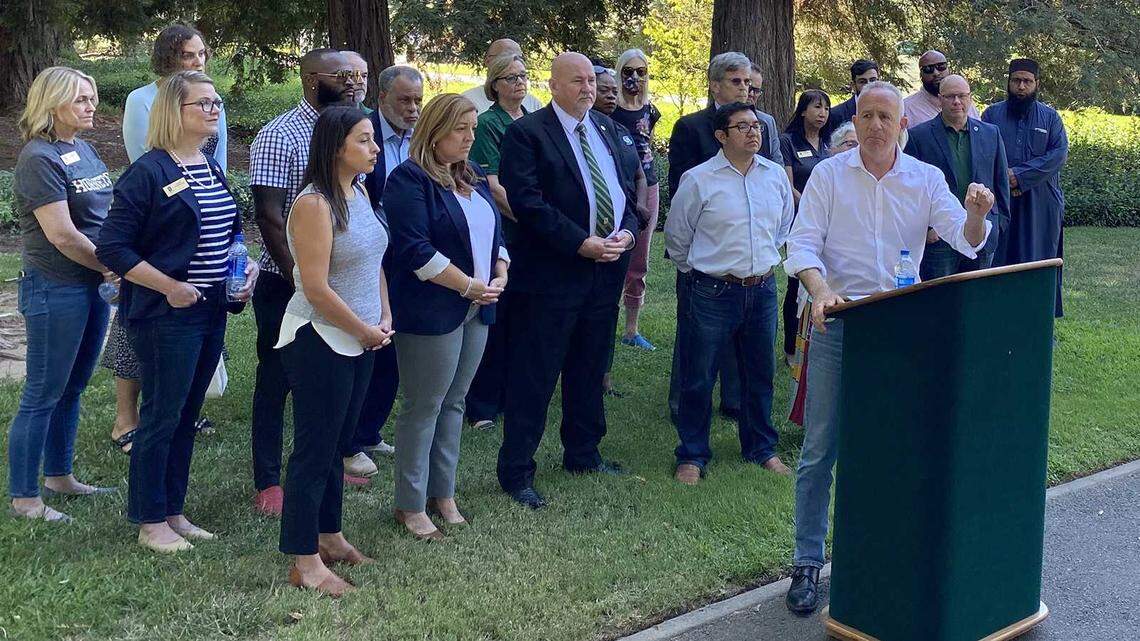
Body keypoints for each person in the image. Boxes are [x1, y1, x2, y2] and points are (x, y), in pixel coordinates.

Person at [781, 81, 994, 613]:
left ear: (902, 126)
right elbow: (801, 244)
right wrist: (820, 290)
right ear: (854, 122)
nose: (876, 125)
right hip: (839, 324)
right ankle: (807, 562)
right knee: (820, 449)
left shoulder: (925, 178)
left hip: (900, 329)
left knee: (897, 443)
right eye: (867, 115)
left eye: (886, 117)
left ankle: (886, 551)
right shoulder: (829, 175)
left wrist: (975, 212)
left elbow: (966, 239)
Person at [97, 71, 257, 553]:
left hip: (210, 308)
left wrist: (242, 266)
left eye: (216, 102)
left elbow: (228, 230)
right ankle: (150, 522)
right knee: (162, 415)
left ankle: (173, 511)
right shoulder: (148, 172)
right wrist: (169, 287)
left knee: (187, 413)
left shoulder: (207, 165)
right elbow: (113, 247)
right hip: (165, 315)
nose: (214, 110)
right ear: (174, 111)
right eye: (203, 103)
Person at [496, 52, 640, 509]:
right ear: (554, 85)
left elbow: (627, 193)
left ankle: (583, 452)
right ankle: (517, 470)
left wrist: (628, 232)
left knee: (590, 366)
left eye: (592, 81)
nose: (588, 88)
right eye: (577, 81)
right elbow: (527, 202)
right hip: (552, 276)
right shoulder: (527, 133)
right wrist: (580, 242)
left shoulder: (607, 129)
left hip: (604, 272)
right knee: (535, 374)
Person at [276, 105, 391, 596]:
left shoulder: (358, 191)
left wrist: (384, 316)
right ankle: (304, 561)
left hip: (362, 337)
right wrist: (363, 329)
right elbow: (316, 287)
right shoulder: (314, 204)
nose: (375, 148)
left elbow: (375, 261)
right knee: (314, 450)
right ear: (335, 147)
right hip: (321, 338)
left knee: (338, 445)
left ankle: (330, 536)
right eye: (364, 140)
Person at [385, 94, 510, 537]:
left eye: (473, 128)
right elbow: (415, 249)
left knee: (455, 402)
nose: (470, 137)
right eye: (461, 129)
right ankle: (410, 503)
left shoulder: (469, 175)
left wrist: (501, 269)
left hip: (478, 306)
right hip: (432, 310)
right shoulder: (408, 179)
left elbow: (492, 233)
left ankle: (444, 493)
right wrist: (466, 284)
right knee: (424, 405)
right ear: (435, 131)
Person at [248, 49, 363, 516]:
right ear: (313, 80)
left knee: (328, 384)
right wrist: (300, 279)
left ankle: (326, 463)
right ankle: (268, 480)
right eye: (344, 75)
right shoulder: (280, 135)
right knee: (277, 380)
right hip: (287, 283)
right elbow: (269, 217)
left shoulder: (352, 131)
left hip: (338, 285)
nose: (356, 83)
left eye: (361, 75)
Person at [109, 23, 229, 454]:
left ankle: (182, 414)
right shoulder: (143, 104)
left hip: (205, 275)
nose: (198, 61)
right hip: (162, 250)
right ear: (168, 58)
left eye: (202, 54)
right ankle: (128, 420)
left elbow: (219, 164)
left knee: (180, 395)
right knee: (143, 349)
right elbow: (142, 162)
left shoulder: (209, 107)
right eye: (187, 55)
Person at [665, 102, 795, 485]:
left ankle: (761, 448)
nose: (753, 132)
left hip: (762, 289)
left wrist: (761, 260)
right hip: (712, 291)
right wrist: (705, 271)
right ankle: (692, 454)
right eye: (743, 127)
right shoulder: (698, 180)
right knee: (699, 375)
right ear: (721, 136)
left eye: (756, 126)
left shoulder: (774, 175)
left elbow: (783, 226)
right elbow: (677, 237)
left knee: (760, 374)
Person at [8, 66, 115, 523]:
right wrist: (113, 265)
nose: (92, 106)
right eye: (81, 100)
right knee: (42, 392)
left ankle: (59, 476)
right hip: (55, 287)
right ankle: (25, 498)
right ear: (52, 104)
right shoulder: (38, 158)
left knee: (73, 386)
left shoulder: (84, 148)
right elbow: (63, 235)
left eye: (92, 98)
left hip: (91, 286)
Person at [666, 51, 754, 427]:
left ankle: (733, 399)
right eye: (736, 81)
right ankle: (682, 402)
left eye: (747, 82)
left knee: (741, 330)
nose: (744, 88)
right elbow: (681, 195)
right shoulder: (691, 127)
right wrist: (689, 259)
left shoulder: (758, 125)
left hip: (744, 250)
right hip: (702, 252)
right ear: (715, 85)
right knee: (694, 332)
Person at [345, 64, 424, 475]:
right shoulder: (364, 134)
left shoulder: (422, 139)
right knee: (367, 345)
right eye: (404, 100)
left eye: (418, 101)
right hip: (370, 256)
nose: (413, 109)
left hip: (410, 257)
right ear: (382, 99)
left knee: (393, 345)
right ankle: (350, 436)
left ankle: (370, 429)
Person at [464, 53, 531, 430]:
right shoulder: (489, 124)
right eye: (510, 78)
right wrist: (534, 219)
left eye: (523, 76)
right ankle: (482, 404)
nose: (519, 83)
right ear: (495, 85)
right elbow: (492, 186)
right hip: (508, 229)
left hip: (534, 231)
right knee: (497, 316)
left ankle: (511, 394)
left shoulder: (532, 119)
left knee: (523, 316)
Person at [982, 58, 1068, 317]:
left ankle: (1038, 324)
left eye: (1027, 81)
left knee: (1038, 261)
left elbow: (1058, 155)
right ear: (1008, 82)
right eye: (1016, 81)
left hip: (1040, 204)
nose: (1021, 86)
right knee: (999, 260)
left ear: (1036, 84)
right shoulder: (991, 115)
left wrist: (1019, 176)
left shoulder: (1050, 118)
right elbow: (983, 151)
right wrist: (1004, 178)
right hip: (1001, 201)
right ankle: (998, 320)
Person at [905, 74, 1011, 279]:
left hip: (983, 232)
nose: (956, 101)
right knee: (941, 295)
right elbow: (911, 189)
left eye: (962, 96)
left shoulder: (991, 134)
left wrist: (999, 223)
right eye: (950, 96)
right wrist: (926, 229)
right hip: (939, 239)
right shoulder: (919, 137)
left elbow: (1001, 183)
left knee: (978, 295)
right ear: (940, 99)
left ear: (970, 98)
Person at [612, 49, 662, 352]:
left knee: (639, 258)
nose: (634, 77)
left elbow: (647, 146)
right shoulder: (610, 109)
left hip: (649, 186)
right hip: (620, 187)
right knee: (612, 253)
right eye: (628, 71)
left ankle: (632, 329)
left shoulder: (650, 110)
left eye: (641, 72)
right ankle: (604, 321)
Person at [778, 90, 831, 366]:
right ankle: (790, 347)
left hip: (828, 223)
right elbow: (788, 185)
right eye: (817, 107)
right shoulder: (788, 142)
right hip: (800, 219)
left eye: (826, 108)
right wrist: (812, 204)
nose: (822, 113)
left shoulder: (827, 143)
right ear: (802, 111)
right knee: (796, 283)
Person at [461, 39, 544, 114]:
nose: (514, 62)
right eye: (504, 57)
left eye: (518, 57)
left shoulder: (534, 104)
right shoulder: (468, 101)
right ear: (487, 61)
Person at [903, 50, 978, 128]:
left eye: (941, 66)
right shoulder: (907, 109)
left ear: (948, 69)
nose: (936, 73)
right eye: (928, 69)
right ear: (921, 75)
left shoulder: (964, 101)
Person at [825, 60, 878, 138]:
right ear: (853, 85)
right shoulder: (835, 115)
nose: (869, 85)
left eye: (873, 80)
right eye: (862, 82)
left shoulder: (888, 110)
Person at [746, 63, 785, 166]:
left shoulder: (767, 121)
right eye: (749, 88)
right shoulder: (717, 118)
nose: (751, 94)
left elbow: (776, 159)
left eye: (756, 91)